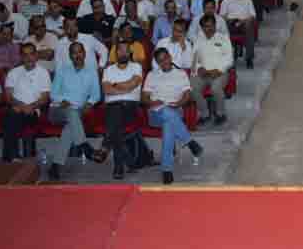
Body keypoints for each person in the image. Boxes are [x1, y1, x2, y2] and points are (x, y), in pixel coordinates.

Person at [143, 47, 204, 185]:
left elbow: (187, 95)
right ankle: (189, 141)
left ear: (170, 57)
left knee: (168, 127)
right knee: (166, 113)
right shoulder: (152, 75)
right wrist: (152, 102)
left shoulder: (181, 74)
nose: (164, 62)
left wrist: (179, 103)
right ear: (157, 63)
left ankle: (167, 170)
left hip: (175, 110)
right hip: (156, 112)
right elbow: (144, 98)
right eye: (160, 61)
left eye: (165, 58)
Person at [47, 42, 101, 181]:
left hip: (77, 112)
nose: (77, 55)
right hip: (58, 109)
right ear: (70, 56)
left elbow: (96, 95)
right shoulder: (62, 70)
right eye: (74, 53)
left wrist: (90, 103)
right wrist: (62, 100)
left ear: (85, 54)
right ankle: (85, 146)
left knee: (70, 127)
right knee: (71, 113)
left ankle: (55, 166)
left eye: (80, 52)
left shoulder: (91, 71)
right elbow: (53, 94)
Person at [98, 40, 143, 179]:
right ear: (115, 52)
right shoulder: (108, 70)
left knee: (114, 117)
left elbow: (133, 84)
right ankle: (123, 164)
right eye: (120, 50)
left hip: (131, 107)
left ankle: (105, 147)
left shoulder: (136, 67)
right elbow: (106, 89)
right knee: (116, 122)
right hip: (112, 108)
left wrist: (115, 85)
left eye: (126, 50)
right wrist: (124, 89)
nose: (123, 53)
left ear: (130, 52)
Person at [2, 43, 51, 162]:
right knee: (12, 114)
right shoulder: (13, 72)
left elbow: (45, 98)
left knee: (12, 117)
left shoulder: (43, 72)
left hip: (34, 110)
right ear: (21, 57)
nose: (29, 58)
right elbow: (8, 97)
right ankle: (13, 155)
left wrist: (30, 106)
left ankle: (10, 156)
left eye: (31, 54)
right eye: (25, 55)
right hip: (16, 108)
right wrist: (21, 105)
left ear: (36, 55)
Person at [191, 14, 233, 126]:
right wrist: (199, 67)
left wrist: (219, 70)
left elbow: (229, 58)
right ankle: (205, 114)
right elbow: (194, 58)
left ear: (215, 25)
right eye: (206, 26)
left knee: (215, 88)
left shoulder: (223, 38)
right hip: (203, 73)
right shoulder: (198, 39)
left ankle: (220, 114)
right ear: (202, 27)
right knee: (192, 88)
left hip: (219, 73)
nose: (209, 29)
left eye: (211, 26)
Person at [219, 0, 256, 68]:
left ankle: (249, 58)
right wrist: (231, 20)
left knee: (249, 26)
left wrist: (243, 21)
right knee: (223, 26)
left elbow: (253, 15)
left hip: (244, 22)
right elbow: (222, 16)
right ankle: (227, 57)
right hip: (230, 22)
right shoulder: (226, 0)